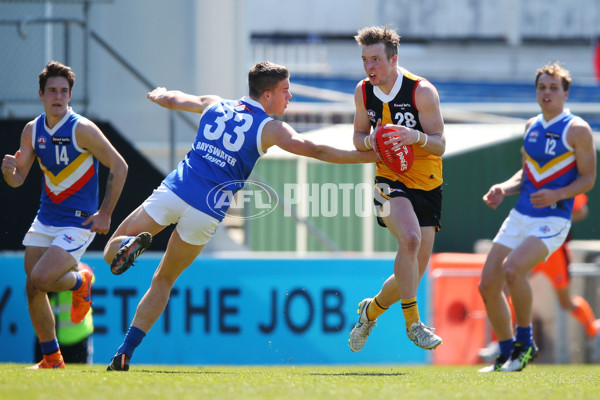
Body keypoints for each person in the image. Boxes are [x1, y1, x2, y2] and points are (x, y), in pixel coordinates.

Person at [103, 61, 380, 371]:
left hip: (176, 191)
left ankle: (129, 246)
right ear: (266, 95)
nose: (289, 98)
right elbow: (317, 150)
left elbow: (175, 99)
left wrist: (160, 94)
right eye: (285, 91)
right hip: (207, 211)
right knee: (164, 279)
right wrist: (369, 155)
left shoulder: (214, 104)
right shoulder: (269, 128)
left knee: (109, 252)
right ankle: (124, 352)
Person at [1, 61, 128, 369]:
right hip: (46, 218)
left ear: (70, 94)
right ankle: (52, 359)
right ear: (41, 94)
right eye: (52, 91)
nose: (58, 97)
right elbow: (18, 179)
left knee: (41, 278)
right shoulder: (33, 130)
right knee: (32, 286)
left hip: (78, 221)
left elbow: (119, 165)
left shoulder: (82, 129)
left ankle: (81, 281)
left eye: (64, 91)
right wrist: (8, 173)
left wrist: (105, 213)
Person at [479, 62, 596, 372]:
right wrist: (503, 188)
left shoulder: (578, 129)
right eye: (542, 87)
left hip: (554, 219)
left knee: (513, 270)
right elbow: (527, 174)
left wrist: (558, 194)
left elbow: (588, 179)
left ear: (565, 93)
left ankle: (525, 342)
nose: (547, 93)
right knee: (488, 284)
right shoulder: (531, 125)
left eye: (553, 88)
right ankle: (507, 353)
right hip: (521, 214)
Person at [348, 25, 445, 353]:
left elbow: (440, 144)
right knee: (410, 238)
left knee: (411, 277)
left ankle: (369, 311)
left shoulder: (421, 92)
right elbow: (358, 136)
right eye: (365, 60)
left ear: (394, 60)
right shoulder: (363, 92)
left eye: (376, 59)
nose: (370, 67)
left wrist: (414, 136)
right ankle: (414, 325)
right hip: (387, 180)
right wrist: (370, 140)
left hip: (428, 183)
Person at [479, 193, 599, 362]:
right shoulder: (533, 177)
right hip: (532, 247)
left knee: (566, 302)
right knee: (504, 288)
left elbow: (582, 210)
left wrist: (558, 216)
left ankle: (594, 329)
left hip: (555, 252)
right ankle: (503, 341)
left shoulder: (564, 181)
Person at [34, 263, 95, 364]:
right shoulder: (42, 272)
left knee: (79, 378)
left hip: (77, 337)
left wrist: (68, 266)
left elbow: (88, 278)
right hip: (46, 336)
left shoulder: (80, 268)